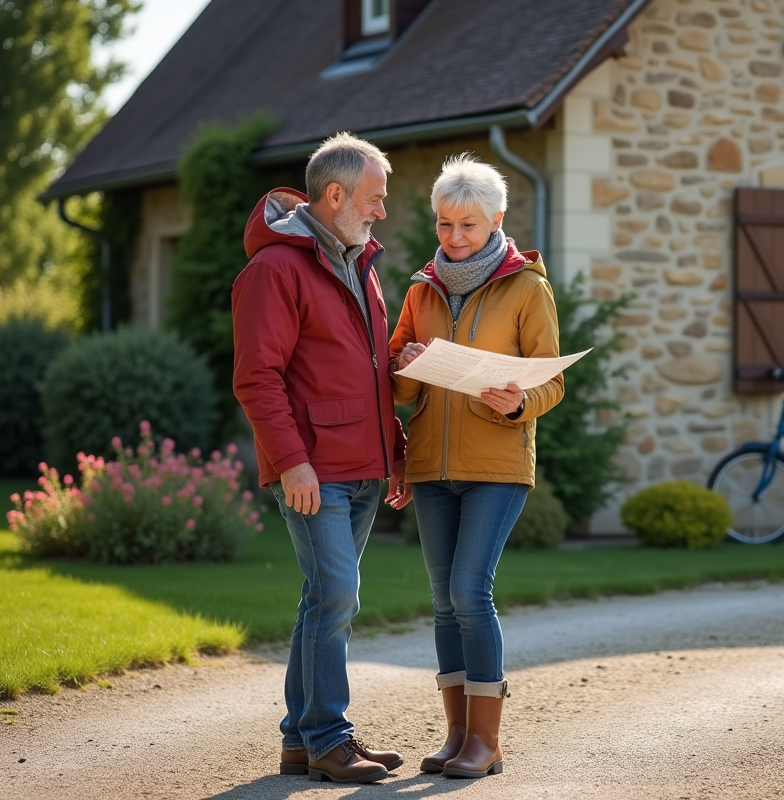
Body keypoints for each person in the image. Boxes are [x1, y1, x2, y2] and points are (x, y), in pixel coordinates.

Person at [232, 132, 412, 785]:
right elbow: (257, 377)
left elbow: (365, 369)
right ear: (334, 194)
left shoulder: (359, 263)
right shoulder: (273, 271)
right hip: (314, 471)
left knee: (322, 599)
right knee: (336, 593)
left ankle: (301, 741)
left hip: (362, 465)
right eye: (374, 198)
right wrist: (292, 462)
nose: (381, 212)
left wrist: (394, 450)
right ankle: (329, 737)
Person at [390, 154, 564, 779]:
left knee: (470, 591)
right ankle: (458, 735)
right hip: (432, 467)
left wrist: (521, 400)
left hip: (497, 464)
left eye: (467, 225)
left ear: (496, 220)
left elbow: (552, 381)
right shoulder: (419, 288)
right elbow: (398, 393)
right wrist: (404, 367)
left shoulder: (527, 287)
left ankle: (486, 743)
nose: (455, 238)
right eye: (444, 224)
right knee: (443, 603)